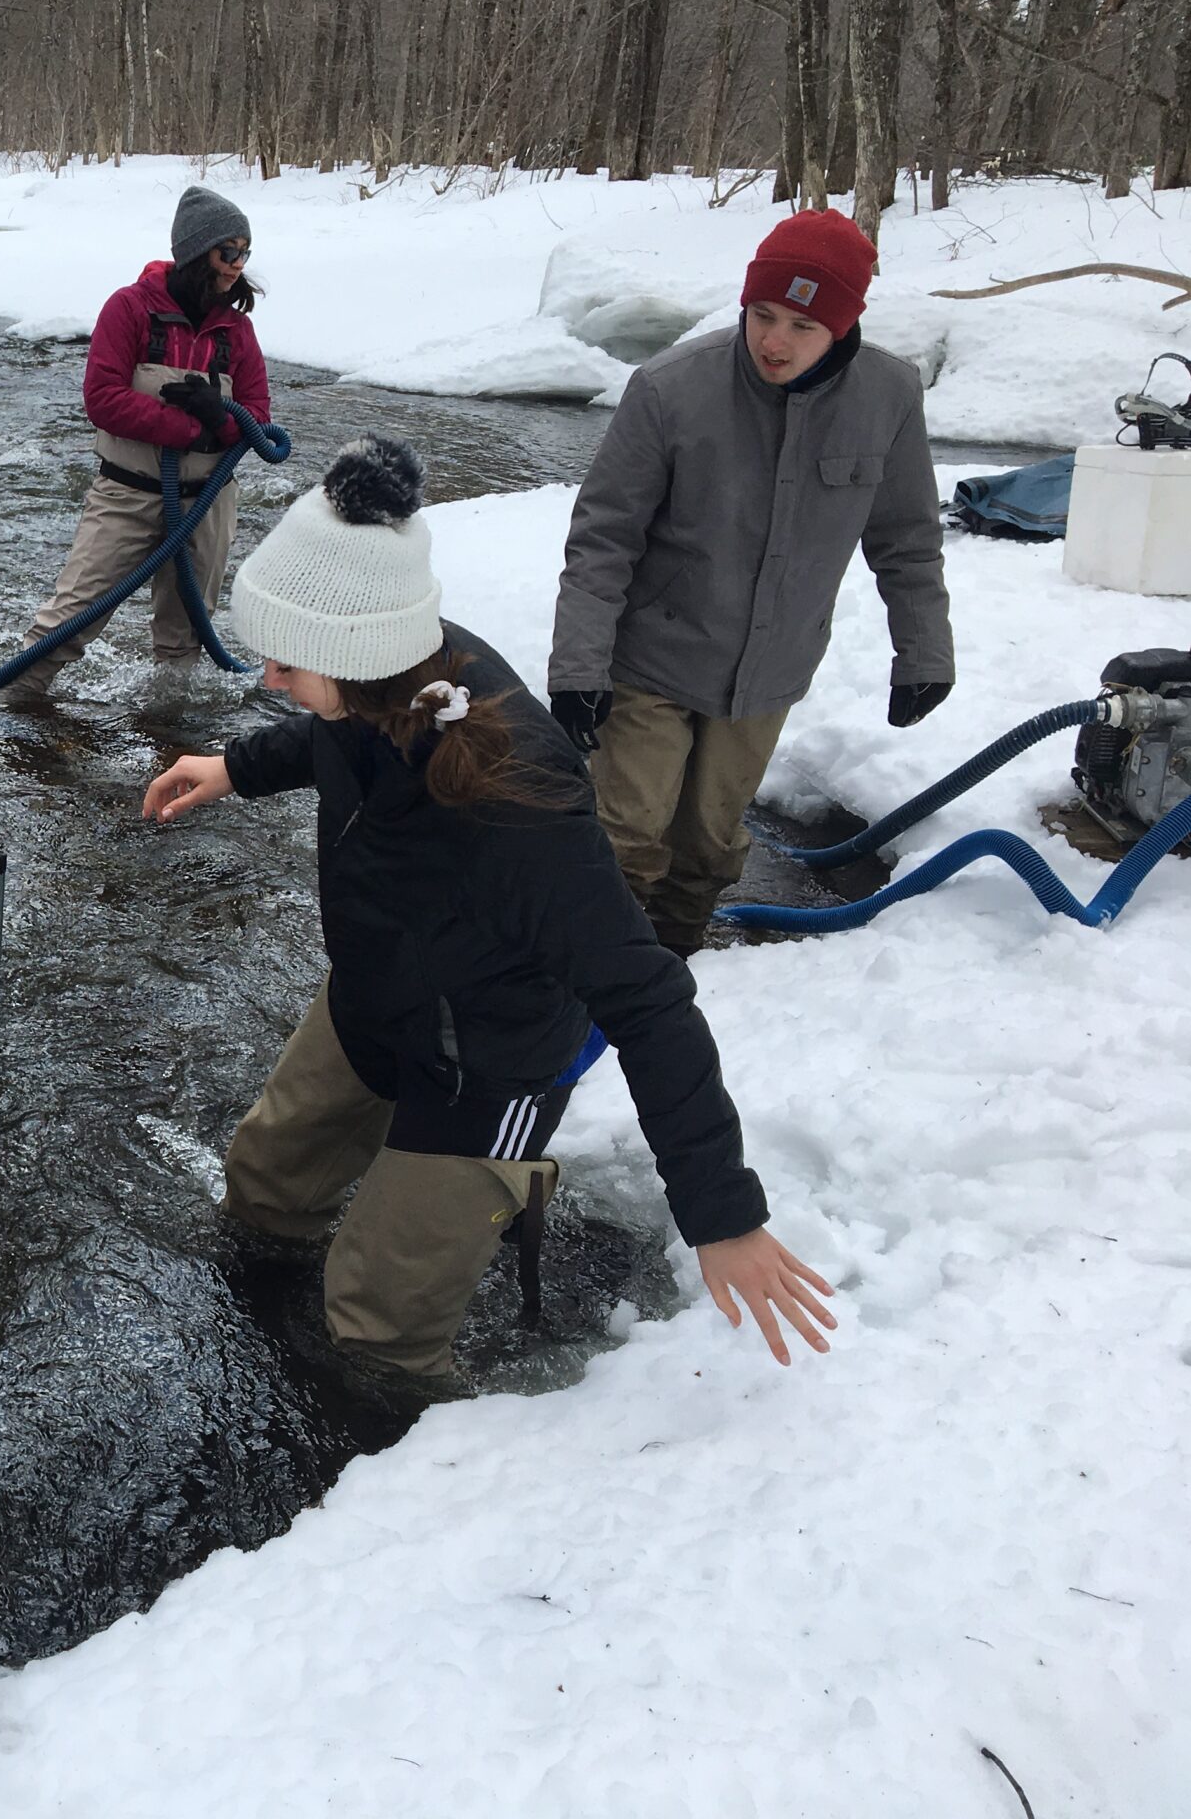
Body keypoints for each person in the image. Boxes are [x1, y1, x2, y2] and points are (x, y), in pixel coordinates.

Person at [144, 437, 834, 1402]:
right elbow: (332, 733)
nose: (267, 679)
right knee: (263, 1184)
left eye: (285, 663)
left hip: (490, 1055)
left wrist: (722, 1215)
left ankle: (426, 1412)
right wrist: (236, 768)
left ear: (356, 659)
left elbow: (648, 1000)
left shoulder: (521, 805)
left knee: (374, 1319)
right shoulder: (387, 672)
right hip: (379, 990)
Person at [547, 208, 955, 955]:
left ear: (842, 325)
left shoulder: (888, 397)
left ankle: (673, 965)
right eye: (761, 315)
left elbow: (907, 540)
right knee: (629, 835)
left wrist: (924, 654)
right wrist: (578, 669)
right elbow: (603, 539)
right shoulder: (671, 389)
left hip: (769, 669)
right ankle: (594, 980)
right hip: (653, 658)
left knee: (706, 847)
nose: (774, 340)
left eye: (801, 326)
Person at [0, 184, 272, 696]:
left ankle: (169, 730)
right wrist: (192, 429)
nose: (238, 264)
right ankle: (6, 707)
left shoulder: (236, 331)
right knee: (70, 618)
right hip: (126, 496)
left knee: (185, 636)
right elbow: (102, 398)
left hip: (208, 503)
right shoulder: (128, 309)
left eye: (244, 252)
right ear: (196, 251)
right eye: (228, 251)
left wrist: (222, 414)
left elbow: (259, 417)